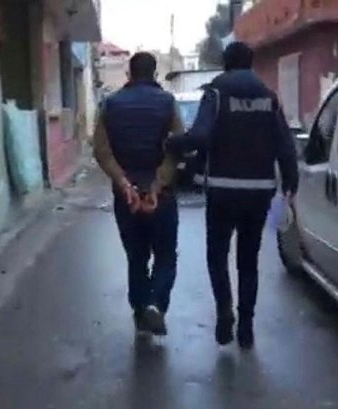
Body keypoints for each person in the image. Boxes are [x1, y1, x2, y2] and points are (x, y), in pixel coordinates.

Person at [167, 42, 299, 349]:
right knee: (248, 261)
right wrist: (290, 182)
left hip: (222, 190)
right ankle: (247, 327)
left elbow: (200, 136)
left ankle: (225, 311)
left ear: (226, 64)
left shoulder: (216, 93)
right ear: (250, 64)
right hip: (259, 192)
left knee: (217, 255)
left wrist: (173, 144)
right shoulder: (268, 97)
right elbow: (285, 144)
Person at [93, 52, 185, 336]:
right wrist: (157, 185)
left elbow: (101, 151)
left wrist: (124, 183)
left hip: (126, 197)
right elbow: (177, 147)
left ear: (129, 74)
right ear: (155, 74)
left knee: (136, 256)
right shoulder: (168, 103)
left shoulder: (110, 104)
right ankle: (156, 304)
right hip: (162, 196)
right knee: (165, 255)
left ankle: (141, 310)